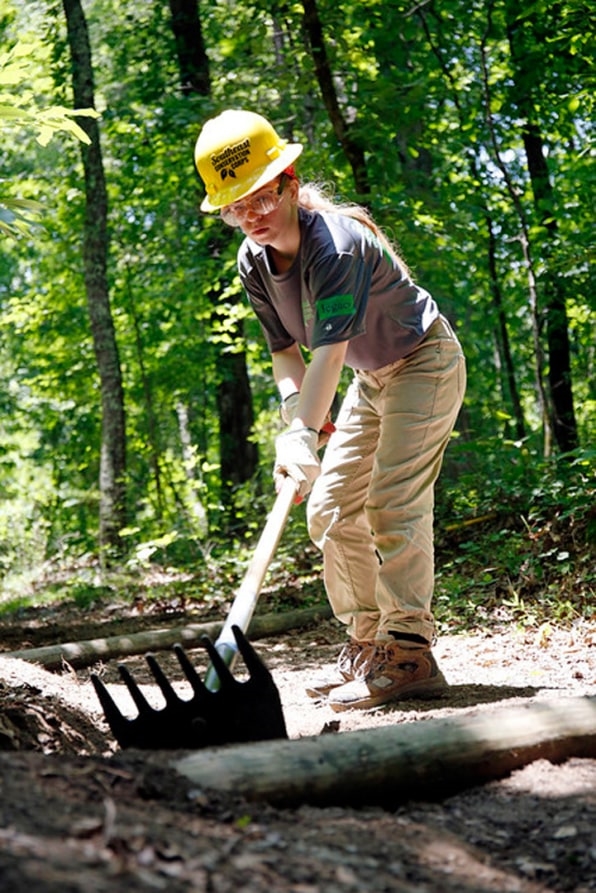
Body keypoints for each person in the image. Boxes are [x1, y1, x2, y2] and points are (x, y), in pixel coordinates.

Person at [194, 109, 466, 712]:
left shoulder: (336, 246)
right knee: (332, 508)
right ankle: (369, 645)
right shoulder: (253, 262)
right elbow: (285, 354)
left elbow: (328, 351)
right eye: (235, 208)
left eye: (261, 198)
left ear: (289, 183)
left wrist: (302, 434)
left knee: (391, 501)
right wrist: (298, 420)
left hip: (424, 361)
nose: (251, 217)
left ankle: (410, 650)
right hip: (371, 380)